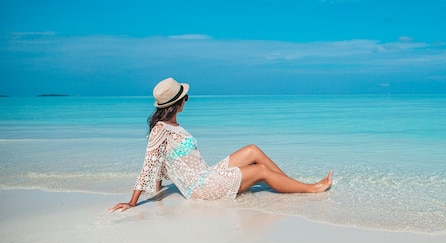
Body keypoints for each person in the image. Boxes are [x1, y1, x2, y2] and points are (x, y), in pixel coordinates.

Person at [107, 77, 332, 212]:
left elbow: (160, 162)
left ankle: (291, 185)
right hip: (201, 188)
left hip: (207, 175)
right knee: (261, 171)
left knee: (252, 149)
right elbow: (149, 165)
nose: (187, 100)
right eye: (186, 97)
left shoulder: (172, 126)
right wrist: (132, 202)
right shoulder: (161, 129)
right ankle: (312, 188)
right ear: (179, 102)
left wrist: (158, 190)